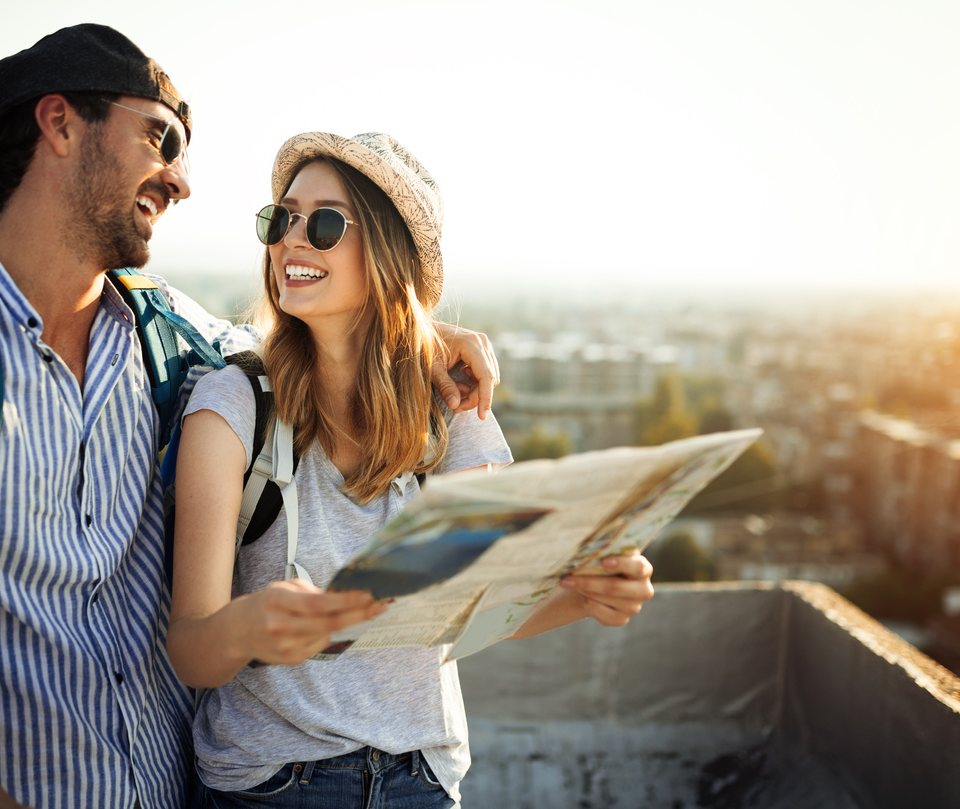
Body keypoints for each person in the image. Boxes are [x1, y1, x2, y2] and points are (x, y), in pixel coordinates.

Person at [0, 26, 499, 809]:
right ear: (59, 124)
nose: (182, 180)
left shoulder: (167, 341)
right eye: (161, 138)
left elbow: (319, 343)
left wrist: (424, 335)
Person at [167, 132, 656, 809]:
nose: (291, 240)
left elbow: (463, 606)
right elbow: (191, 645)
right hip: (272, 786)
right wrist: (250, 626)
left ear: (388, 253)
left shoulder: (455, 407)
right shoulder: (232, 403)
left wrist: (587, 593)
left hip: (422, 781)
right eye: (280, 217)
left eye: (326, 222)